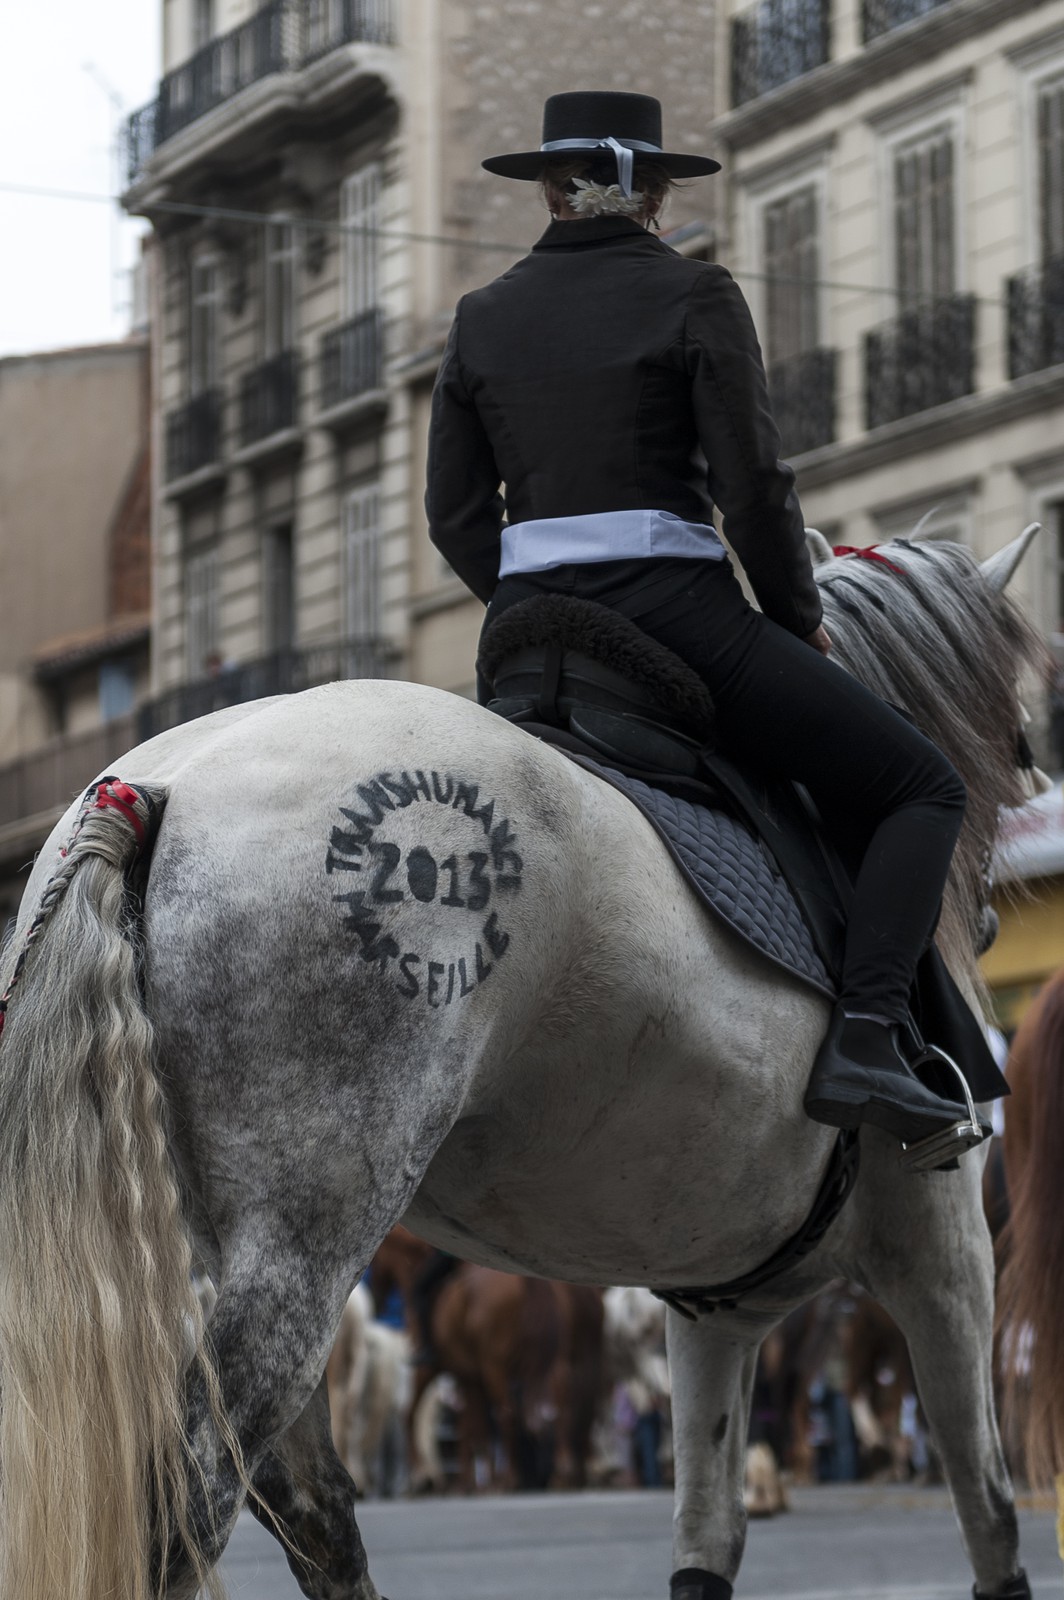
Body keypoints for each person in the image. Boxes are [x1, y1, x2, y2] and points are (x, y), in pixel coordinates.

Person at [425, 90, 970, 1152]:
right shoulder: (695, 293)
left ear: (550, 187)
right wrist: (793, 616)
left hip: (526, 640)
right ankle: (865, 1036)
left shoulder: (479, 315)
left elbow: (452, 517)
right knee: (920, 785)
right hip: (675, 617)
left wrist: (538, 606)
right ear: (650, 193)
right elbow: (753, 489)